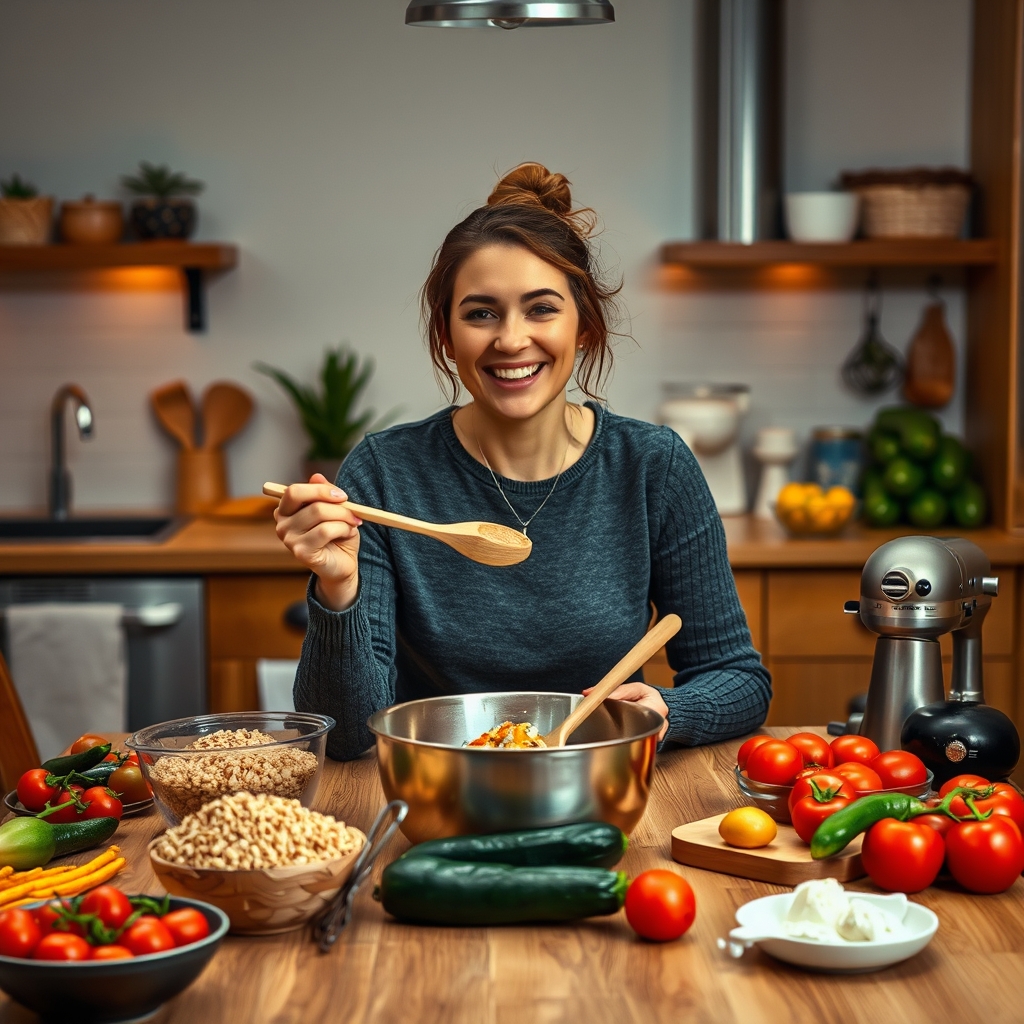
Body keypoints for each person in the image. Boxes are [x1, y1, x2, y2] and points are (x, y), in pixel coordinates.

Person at [276, 163, 771, 761]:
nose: (511, 340)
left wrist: (669, 709)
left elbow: (739, 680)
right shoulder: (383, 475)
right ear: (446, 335)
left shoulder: (652, 466)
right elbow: (347, 736)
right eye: (481, 313)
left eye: (541, 309)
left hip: (594, 788)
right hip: (437, 792)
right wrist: (337, 589)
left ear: (584, 325)